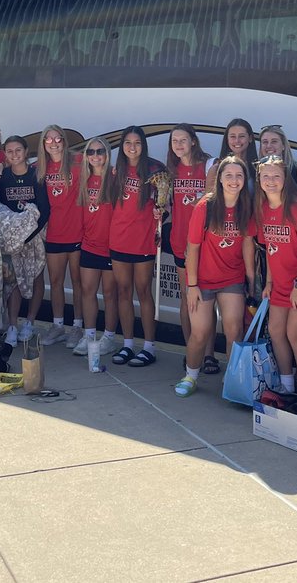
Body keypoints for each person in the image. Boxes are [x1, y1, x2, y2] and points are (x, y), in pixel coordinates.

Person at [175, 156, 256, 397]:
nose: (234, 180)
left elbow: (248, 245)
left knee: (234, 331)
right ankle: (191, 376)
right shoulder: (206, 206)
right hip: (203, 281)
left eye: (239, 175)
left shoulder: (246, 206)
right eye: (228, 175)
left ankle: (231, 380)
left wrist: (251, 281)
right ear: (219, 179)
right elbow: (192, 248)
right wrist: (192, 286)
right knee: (200, 332)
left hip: (232, 279)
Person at [255, 156, 297, 403]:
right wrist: (269, 283)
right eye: (266, 176)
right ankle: (286, 385)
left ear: (285, 179)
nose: (271, 181)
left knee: (295, 335)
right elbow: (270, 250)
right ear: (259, 179)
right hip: (280, 286)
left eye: (276, 176)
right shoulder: (263, 209)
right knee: (276, 332)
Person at [108, 125, 169, 368]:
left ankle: (149, 346)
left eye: (137, 143)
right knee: (123, 291)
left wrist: (161, 212)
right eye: (128, 143)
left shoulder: (155, 170)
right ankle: (128, 344)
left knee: (143, 291)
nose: (132, 147)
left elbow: (165, 203)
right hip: (118, 239)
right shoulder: (116, 171)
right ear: (122, 146)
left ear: (143, 145)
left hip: (143, 240)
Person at [166, 123, 218, 374]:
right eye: (174, 140)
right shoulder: (171, 171)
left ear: (193, 141)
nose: (179, 144)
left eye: (183, 140)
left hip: (204, 244)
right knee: (188, 299)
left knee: (206, 300)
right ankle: (192, 352)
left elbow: (214, 203)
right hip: (179, 242)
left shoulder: (209, 165)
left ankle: (208, 355)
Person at [0, 135, 50, 346]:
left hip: (34, 237)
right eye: (9, 151)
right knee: (14, 282)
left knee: (36, 277)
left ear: (26, 151)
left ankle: (29, 322)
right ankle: (12, 325)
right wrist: (14, 237)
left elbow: (44, 210)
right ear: (5, 154)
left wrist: (28, 237)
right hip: (12, 239)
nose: (14, 154)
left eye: (18, 150)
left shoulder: (37, 175)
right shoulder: (2, 177)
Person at [37, 124, 84, 347]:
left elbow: (103, 169)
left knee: (77, 282)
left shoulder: (78, 162)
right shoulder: (40, 167)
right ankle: (57, 326)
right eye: (49, 139)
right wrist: (1, 166)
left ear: (64, 141)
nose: (53, 143)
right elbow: (16, 168)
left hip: (77, 232)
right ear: (43, 143)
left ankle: (77, 327)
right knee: (55, 281)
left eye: (58, 139)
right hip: (54, 234)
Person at [73, 136, 119, 356]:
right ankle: (89, 335)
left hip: (112, 247)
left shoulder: (115, 178)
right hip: (89, 245)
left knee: (110, 294)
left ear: (107, 154)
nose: (95, 156)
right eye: (90, 152)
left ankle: (109, 337)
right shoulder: (83, 179)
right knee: (88, 291)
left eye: (100, 151)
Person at [258, 125, 297, 214]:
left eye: (274, 141)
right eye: (265, 142)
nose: (269, 146)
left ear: (283, 146)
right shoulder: (258, 172)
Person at [207, 117, 258, 190]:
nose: (237, 141)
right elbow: (209, 196)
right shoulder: (216, 170)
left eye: (242, 136)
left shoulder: (257, 168)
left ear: (250, 138)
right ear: (227, 139)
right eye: (233, 136)